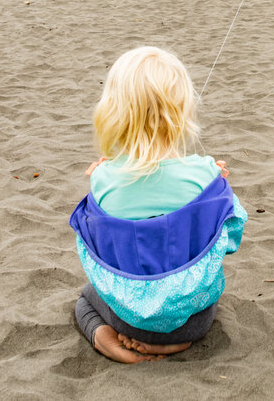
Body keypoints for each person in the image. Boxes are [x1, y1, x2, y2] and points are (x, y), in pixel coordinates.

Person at [69, 47, 247, 363]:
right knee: (207, 287)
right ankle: (170, 344)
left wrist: (97, 183)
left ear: (113, 113)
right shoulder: (205, 175)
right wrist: (215, 186)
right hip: (193, 323)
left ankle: (104, 339)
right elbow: (230, 238)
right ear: (182, 111)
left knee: (85, 298)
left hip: (126, 319)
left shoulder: (103, 181)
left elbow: (96, 246)